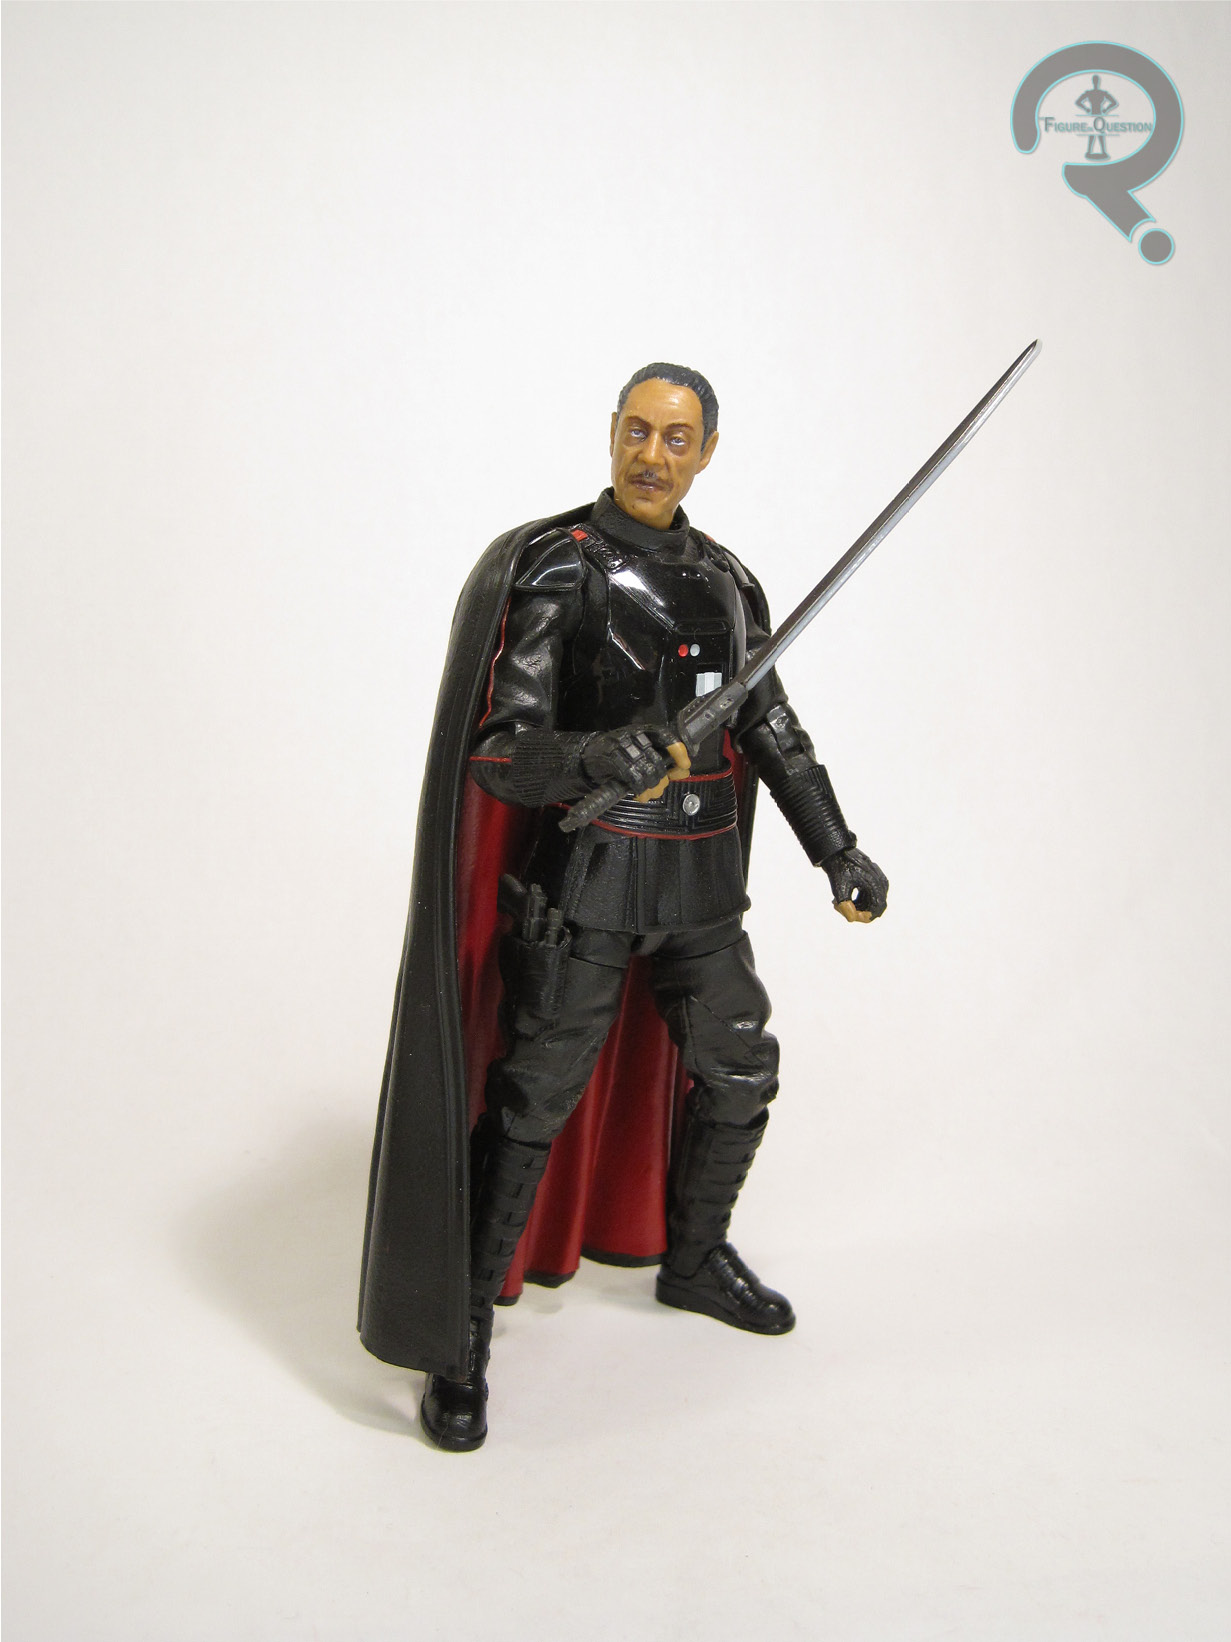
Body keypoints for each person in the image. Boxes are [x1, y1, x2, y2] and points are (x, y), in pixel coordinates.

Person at [358, 364, 888, 1451]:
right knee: (533, 1098)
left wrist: (835, 847)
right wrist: (594, 753)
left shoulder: (731, 582)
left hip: (699, 885)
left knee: (740, 1069)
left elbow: (771, 730)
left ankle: (692, 1260)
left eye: (677, 438)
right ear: (612, 434)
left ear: (707, 452)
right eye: (638, 431)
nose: (654, 455)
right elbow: (501, 750)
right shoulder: (563, 565)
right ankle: (463, 1329)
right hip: (588, 880)